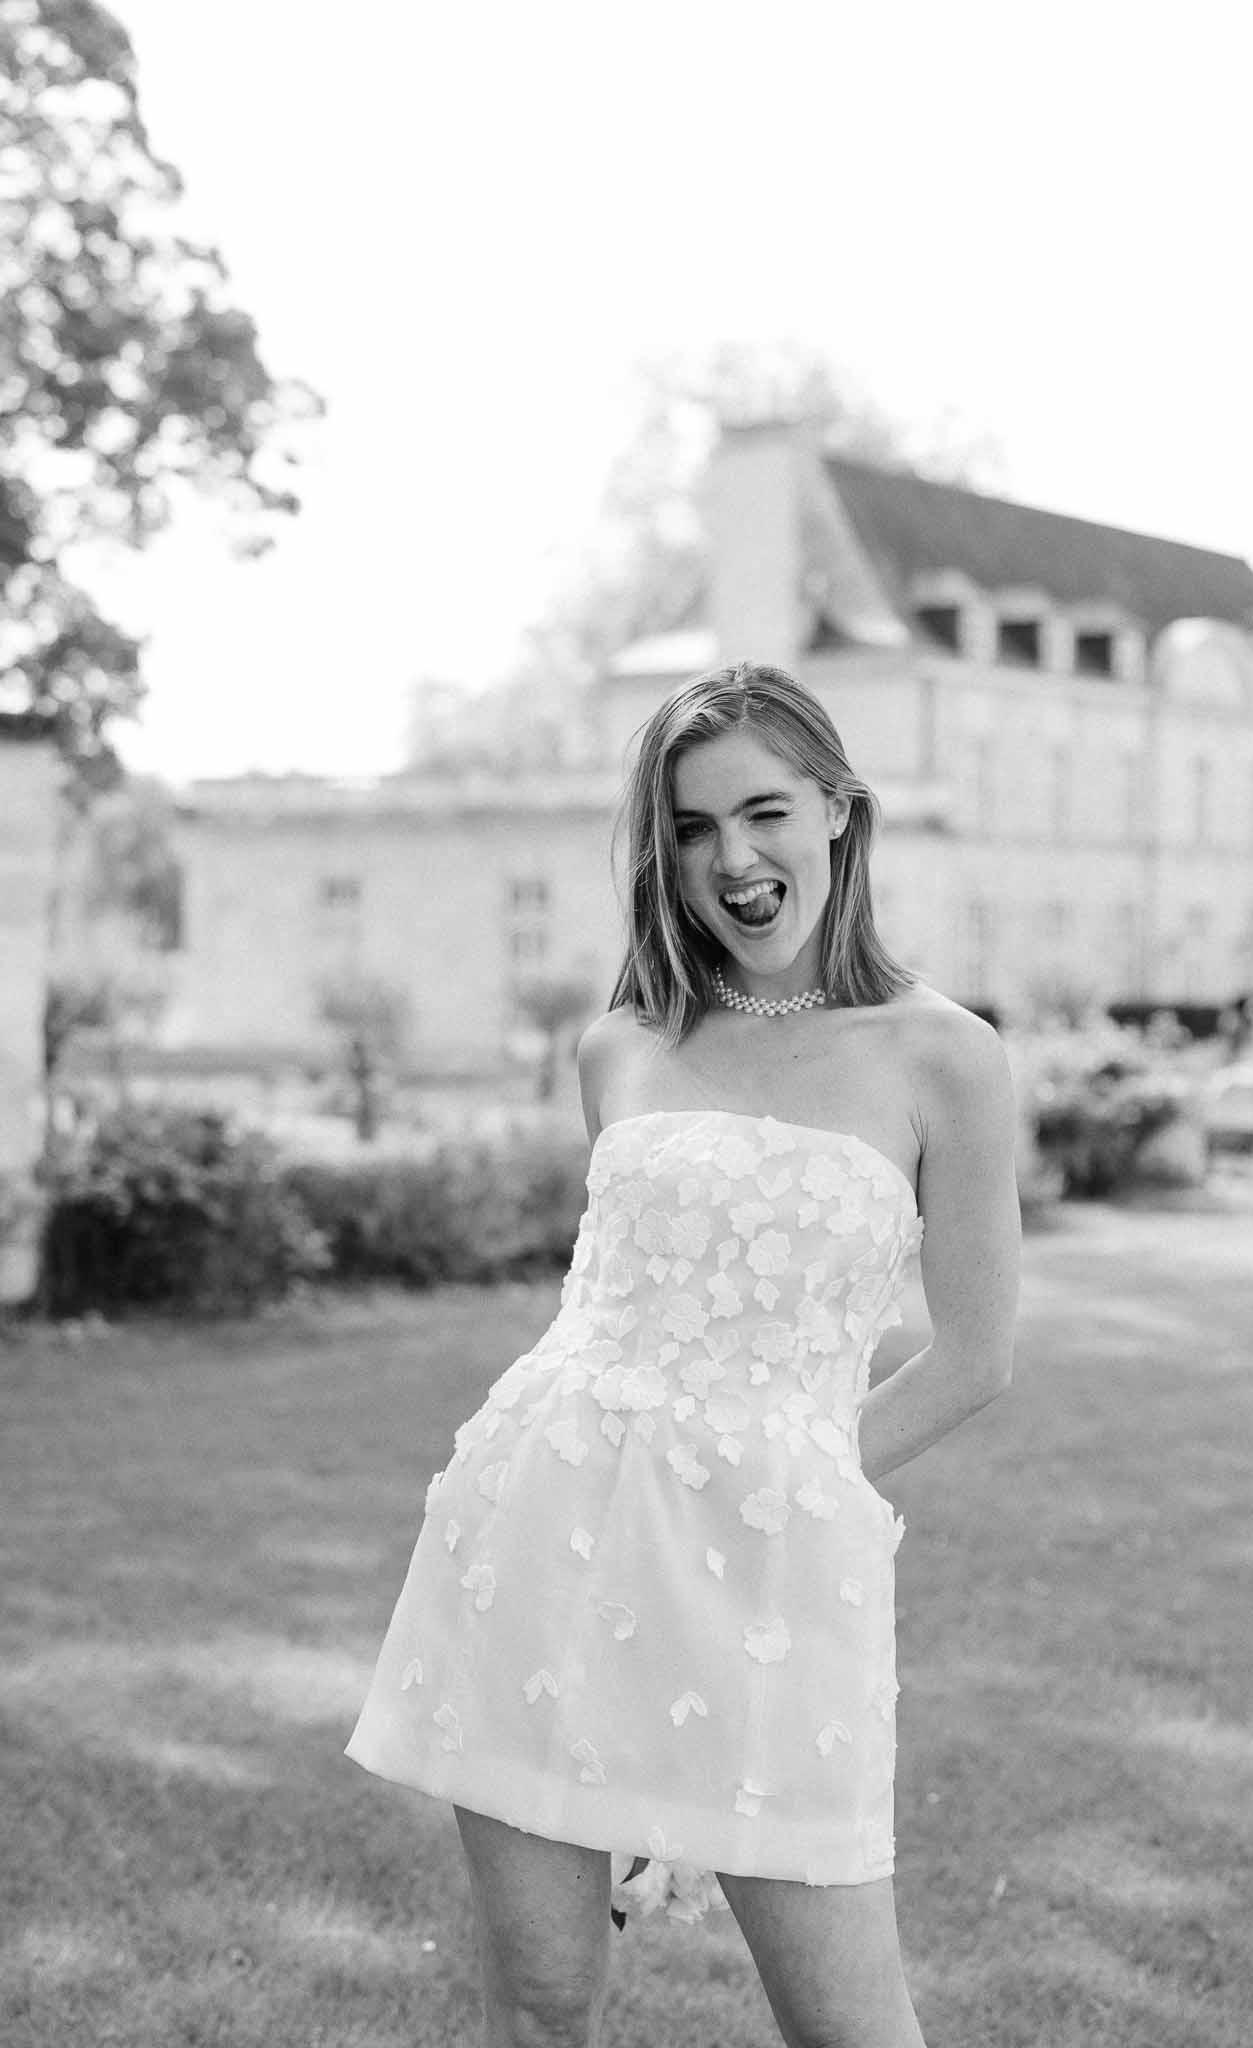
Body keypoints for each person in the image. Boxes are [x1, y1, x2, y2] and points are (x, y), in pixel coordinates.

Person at [345, 661, 1021, 2048]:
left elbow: (972, 1356)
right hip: (539, 1538)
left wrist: (788, 1498)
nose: (734, 858)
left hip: (777, 1572)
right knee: (542, 1997)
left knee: (851, 2027)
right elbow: (617, 1314)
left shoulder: (945, 1056)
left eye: (764, 811)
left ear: (839, 813)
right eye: (692, 829)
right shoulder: (621, 1044)